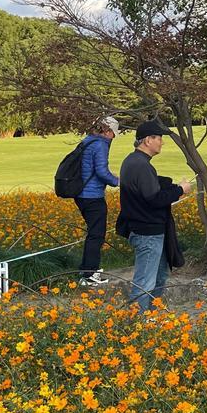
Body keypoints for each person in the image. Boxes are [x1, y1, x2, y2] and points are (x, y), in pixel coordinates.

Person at [118, 118, 192, 311]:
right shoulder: (141, 165)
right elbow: (154, 198)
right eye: (158, 138)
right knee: (145, 282)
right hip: (147, 233)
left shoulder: (133, 161)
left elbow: (149, 189)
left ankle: (151, 315)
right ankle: (138, 322)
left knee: (159, 277)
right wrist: (180, 190)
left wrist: (171, 186)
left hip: (149, 230)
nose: (161, 142)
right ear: (146, 140)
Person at [75, 116, 122, 287]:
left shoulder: (88, 140)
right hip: (92, 195)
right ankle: (90, 274)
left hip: (82, 194)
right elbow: (101, 172)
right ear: (107, 131)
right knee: (96, 234)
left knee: (93, 233)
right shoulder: (100, 144)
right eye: (113, 134)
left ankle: (86, 270)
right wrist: (118, 182)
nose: (113, 137)